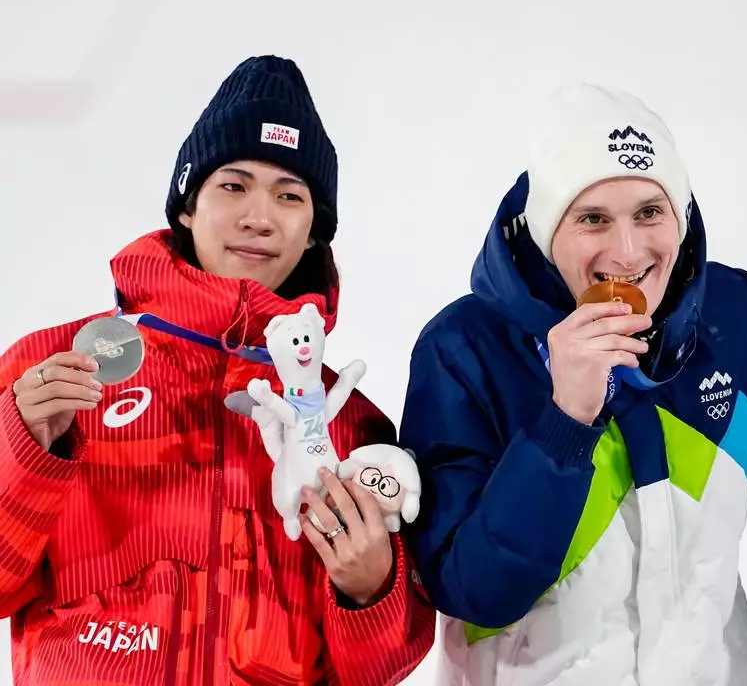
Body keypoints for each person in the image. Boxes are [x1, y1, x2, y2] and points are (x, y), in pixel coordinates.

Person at [0, 56, 434, 683]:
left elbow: (380, 667)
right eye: (234, 185)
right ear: (186, 205)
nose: (260, 216)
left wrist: (370, 589)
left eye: (290, 195)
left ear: (315, 232)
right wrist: (25, 450)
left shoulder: (352, 424)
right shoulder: (55, 370)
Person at [397, 83, 747, 685]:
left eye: (650, 213)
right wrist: (564, 421)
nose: (627, 252)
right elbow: (473, 592)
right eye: (592, 219)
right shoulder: (465, 348)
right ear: (548, 232)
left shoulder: (739, 317)